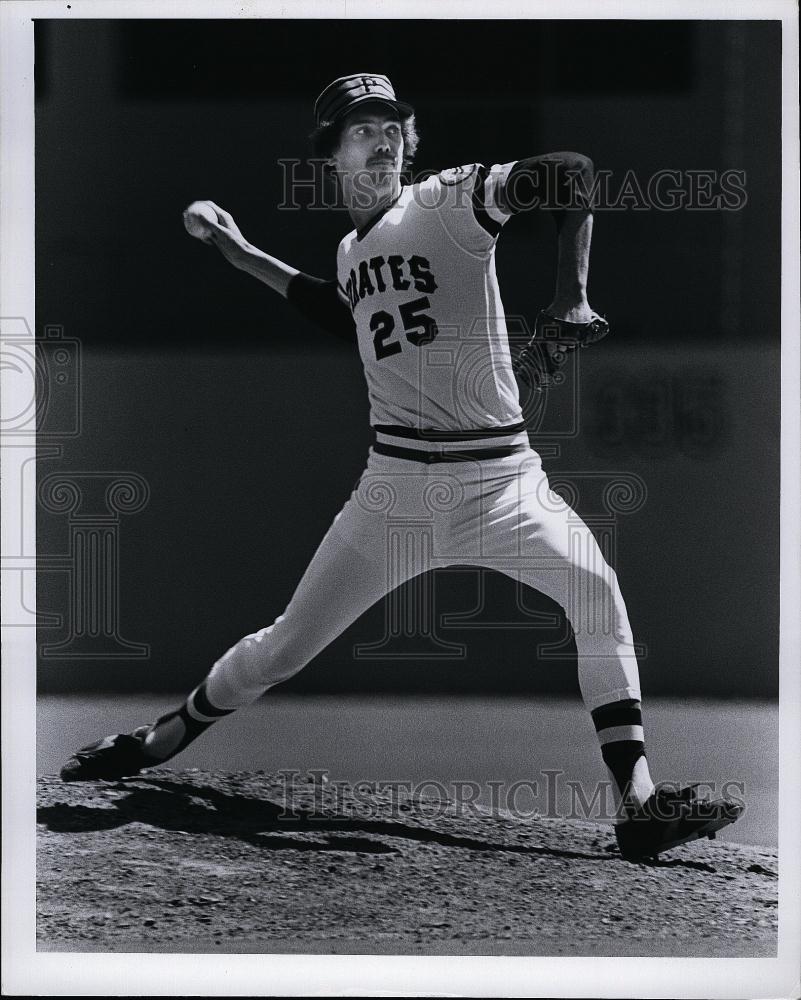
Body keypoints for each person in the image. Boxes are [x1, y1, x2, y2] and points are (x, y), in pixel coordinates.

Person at [61, 73, 742, 862]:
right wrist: (240, 252)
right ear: (330, 155)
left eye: (392, 126)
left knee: (596, 594)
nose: (381, 139)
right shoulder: (352, 249)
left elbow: (570, 171)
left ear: (410, 143)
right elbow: (338, 305)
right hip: (393, 495)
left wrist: (569, 299)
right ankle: (160, 739)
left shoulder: (447, 202)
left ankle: (639, 805)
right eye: (360, 130)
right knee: (284, 648)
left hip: (504, 484)